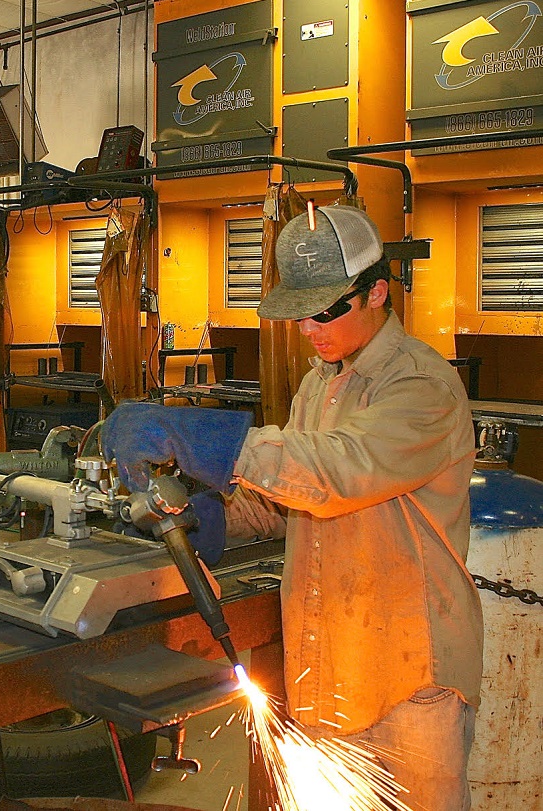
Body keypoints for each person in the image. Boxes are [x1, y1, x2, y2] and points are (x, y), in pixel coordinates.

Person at [103, 205, 483, 811]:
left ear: (377, 291)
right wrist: (213, 516)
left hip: (409, 675)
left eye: (326, 309)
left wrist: (209, 442)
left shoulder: (422, 387)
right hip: (330, 665)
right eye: (300, 311)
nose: (309, 326)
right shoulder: (318, 385)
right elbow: (294, 500)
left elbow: (336, 469)